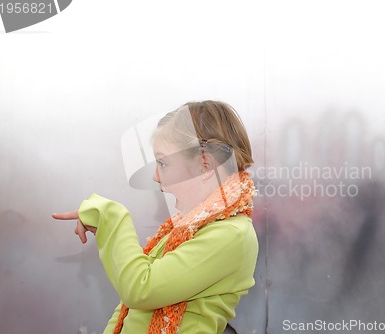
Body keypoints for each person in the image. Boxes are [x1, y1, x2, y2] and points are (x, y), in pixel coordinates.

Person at [52, 101, 259, 334]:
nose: (156, 176)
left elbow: (141, 289)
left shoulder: (232, 235)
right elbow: (129, 310)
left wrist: (112, 217)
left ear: (204, 164)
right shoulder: (185, 230)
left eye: (163, 162)